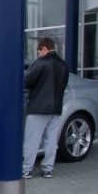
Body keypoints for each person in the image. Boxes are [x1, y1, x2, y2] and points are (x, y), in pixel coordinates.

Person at [22, 37, 69, 179]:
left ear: (44, 48)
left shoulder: (41, 63)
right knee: (51, 140)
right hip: (56, 108)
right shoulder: (64, 65)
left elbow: (27, 81)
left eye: (39, 52)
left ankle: (26, 170)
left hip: (39, 107)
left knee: (32, 140)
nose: (38, 55)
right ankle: (48, 169)